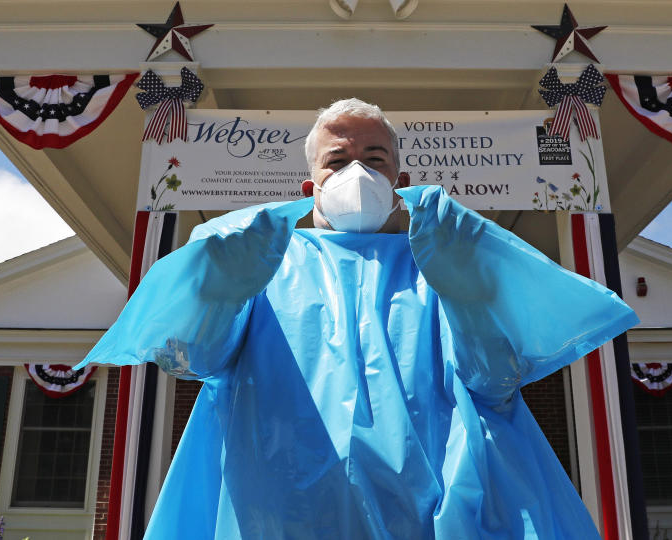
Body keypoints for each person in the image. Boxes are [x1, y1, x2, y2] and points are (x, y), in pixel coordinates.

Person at [76, 98, 639, 539]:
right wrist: (214, 291)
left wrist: (475, 295)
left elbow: (492, 384)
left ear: (398, 179)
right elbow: (197, 362)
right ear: (309, 185)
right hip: (280, 518)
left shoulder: (440, 262)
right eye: (338, 161)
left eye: (375, 160)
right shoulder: (261, 262)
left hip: (429, 518)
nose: (358, 173)